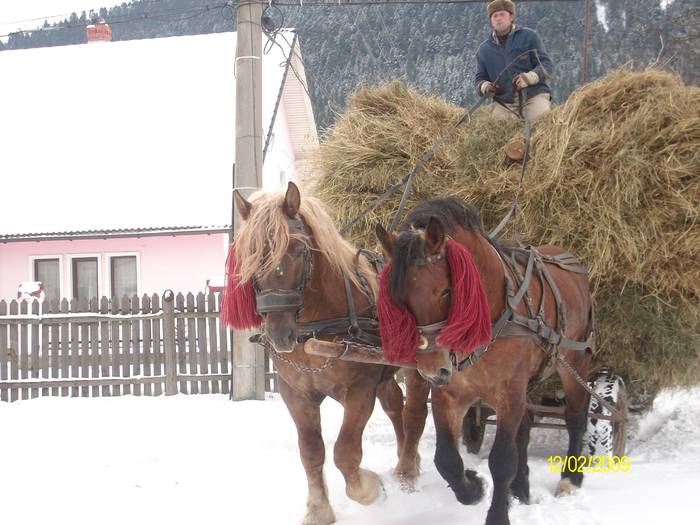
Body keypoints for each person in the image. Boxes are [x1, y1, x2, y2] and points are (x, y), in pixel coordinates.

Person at [475, 0, 554, 121]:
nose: (498, 18)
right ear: (491, 20)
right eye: (494, 16)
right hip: (504, 103)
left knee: (540, 121)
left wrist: (530, 78)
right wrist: (485, 86)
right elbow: (479, 79)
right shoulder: (483, 50)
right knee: (496, 130)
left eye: (502, 14)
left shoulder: (529, 36)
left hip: (534, 96)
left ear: (511, 16)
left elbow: (546, 65)